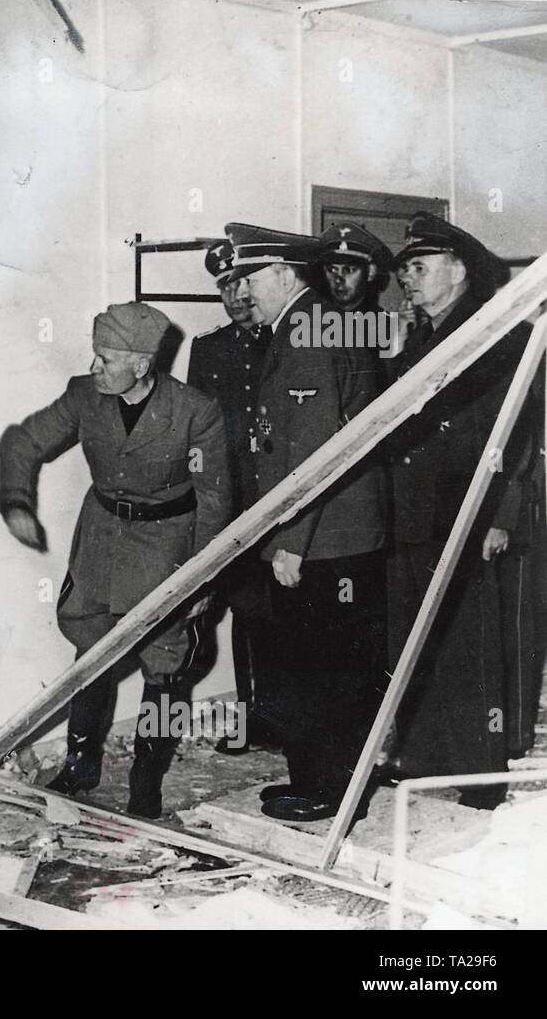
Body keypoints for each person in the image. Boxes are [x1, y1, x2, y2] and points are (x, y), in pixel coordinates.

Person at [0, 302, 231, 818]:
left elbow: (216, 501)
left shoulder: (196, 411)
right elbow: (24, 441)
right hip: (101, 542)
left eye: (105, 358)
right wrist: (16, 500)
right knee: (90, 650)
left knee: (165, 667)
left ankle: (146, 781)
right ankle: (81, 766)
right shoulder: (84, 395)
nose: (94, 367)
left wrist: (202, 581)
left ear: (142, 364)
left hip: (169, 547)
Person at [226, 222, 387, 823]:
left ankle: (330, 790)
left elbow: (314, 452)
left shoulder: (307, 332)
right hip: (326, 533)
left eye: (251, 278)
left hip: (324, 539)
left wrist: (290, 544)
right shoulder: (308, 323)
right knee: (317, 666)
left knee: (323, 670)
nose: (243, 292)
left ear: (285, 274)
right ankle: (317, 778)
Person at [385, 212, 533, 809]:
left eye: (418, 268)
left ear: (459, 270)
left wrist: (503, 515)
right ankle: (424, 755)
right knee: (416, 634)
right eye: (404, 271)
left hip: (470, 511)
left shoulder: (501, 335)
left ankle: (478, 771)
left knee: (470, 642)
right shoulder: (419, 335)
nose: (407, 282)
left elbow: (520, 433)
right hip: (415, 510)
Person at [187, 240, 279, 755]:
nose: (237, 295)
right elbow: (195, 433)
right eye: (226, 286)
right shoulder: (209, 349)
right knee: (245, 613)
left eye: (244, 283)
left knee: (290, 614)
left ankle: (293, 721)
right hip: (232, 504)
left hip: (284, 500)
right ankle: (254, 719)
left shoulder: (287, 341)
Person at [317, 222, 392, 313]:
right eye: (332, 270)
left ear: (371, 272)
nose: (338, 280)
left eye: (348, 270)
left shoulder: (385, 324)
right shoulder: (312, 320)